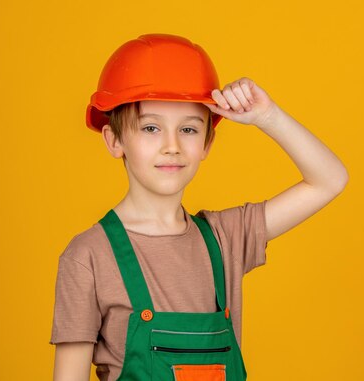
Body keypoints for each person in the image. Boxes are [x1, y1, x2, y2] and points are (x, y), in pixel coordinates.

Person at [51, 34, 348, 381]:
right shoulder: (88, 255)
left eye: (189, 129)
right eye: (150, 128)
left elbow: (330, 179)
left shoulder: (225, 239)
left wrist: (268, 117)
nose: (172, 146)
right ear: (115, 140)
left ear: (207, 143)